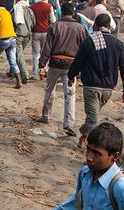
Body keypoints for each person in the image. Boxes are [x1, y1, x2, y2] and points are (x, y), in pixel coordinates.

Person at [67, 13, 124, 149]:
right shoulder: (118, 43)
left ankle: (93, 146)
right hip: (108, 87)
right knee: (93, 117)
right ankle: (88, 145)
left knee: (93, 119)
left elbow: (78, 61)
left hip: (91, 86)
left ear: (95, 25)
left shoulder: (89, 41)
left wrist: (71, 76)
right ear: (109, 26)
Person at [37, 2, 88, 134]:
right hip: (72, 65)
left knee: (49, 90)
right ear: (73, 13)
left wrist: (42, 64)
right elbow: (85, 48)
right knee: (70, 94)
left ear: (62, 12)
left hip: (55, 62)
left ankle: (45, 116)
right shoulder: (81, 28)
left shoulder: (55, 26)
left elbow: (47, 48)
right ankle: (68, 123)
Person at [0, 0, 24, 88]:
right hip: (12, 38)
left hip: (3, 39)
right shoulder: (7, 12)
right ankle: (18, 81)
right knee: (12, 60)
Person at [13, 0, 36, 83]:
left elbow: (12, 23)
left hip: (18, 34)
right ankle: (13, 71)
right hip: (27, 35)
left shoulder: (15, 9)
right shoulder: (30, 10)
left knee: (19, 55)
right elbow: (34, 22)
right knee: (19, 54)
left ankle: (24, 74)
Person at [31, 0, 57, 71]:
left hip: (35, 32)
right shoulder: (49, 6)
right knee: (45, 53)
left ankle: (35, 73)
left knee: (35, 54)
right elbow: (53, 20)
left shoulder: (32, 7)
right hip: (46, 32)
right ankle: (45, 70)